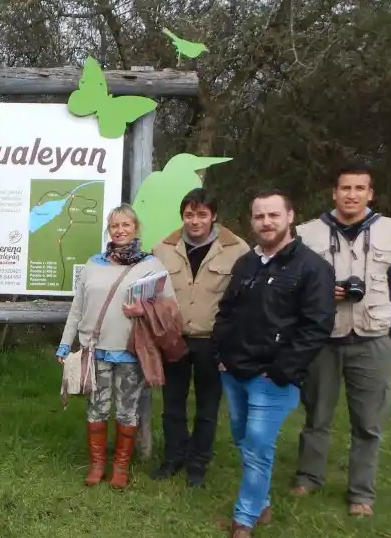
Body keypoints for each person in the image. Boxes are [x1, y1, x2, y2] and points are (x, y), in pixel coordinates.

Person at [212, 189, 335, 538]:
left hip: (272, 379)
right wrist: (221, 353)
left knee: (257, 450)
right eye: (259, 216)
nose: (266, 222)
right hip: (234, 371)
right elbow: (227, 310)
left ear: (290, 217)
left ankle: (244, 520)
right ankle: (262, 504)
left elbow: (317, 327)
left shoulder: (313, 268)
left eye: (273, 215)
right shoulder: (247, 263)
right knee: (241, 439)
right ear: (252, 221)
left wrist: (282, 371)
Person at [293, 164, 391, 516]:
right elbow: (295, 284)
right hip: (323, 337)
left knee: (368, 422)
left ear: (370, 194)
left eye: (360, 188)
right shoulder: (308, 233)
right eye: (345, 187)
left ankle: (362, 493)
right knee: (316, 414)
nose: (351, 195)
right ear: (334, 192)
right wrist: (321, 294)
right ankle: (308, 477)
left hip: (373, 336)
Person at [57, 205, 174, 489]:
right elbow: (77, 309)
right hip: (94, 350)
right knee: (96, 409)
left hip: (131, 351)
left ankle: (120, 467)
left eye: (126, 225)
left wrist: (142, 312)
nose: (120, 230)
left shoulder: (151, 266)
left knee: (127, 410)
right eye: (114, 226)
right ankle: (97, 465)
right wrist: (64, 345)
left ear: (136, 228)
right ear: (109, 231)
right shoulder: (93, 264)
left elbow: (169, 308)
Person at [150, 189, 250, 487]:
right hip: (175, 338)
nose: (195, 221)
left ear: (214, 216)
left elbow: (244, 299)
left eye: (202, 215)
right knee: (172, 404)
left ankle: (198, 464)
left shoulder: (238, 249)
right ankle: (173, 458)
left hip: (213, 340)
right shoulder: (163, 248)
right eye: (189, 215)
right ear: (182, 216)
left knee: (208, 406)